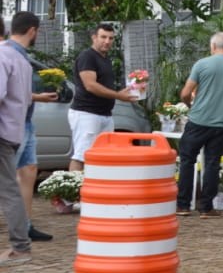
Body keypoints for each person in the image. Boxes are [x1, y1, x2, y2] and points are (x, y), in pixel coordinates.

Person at [176, 31, 223, 218]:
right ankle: (206, 208)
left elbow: (185, 92)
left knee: (187, 160)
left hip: (198, 120)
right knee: (212, 163)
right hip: (222, 122)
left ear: (213, 46)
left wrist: (191, 105)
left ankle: (183, 205)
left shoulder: (202, 64)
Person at [6, 12, 58, 242]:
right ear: (32, 31)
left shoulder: (20, 55)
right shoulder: (6, 54)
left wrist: (38, 97)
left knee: (28, 171)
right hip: (12, 127)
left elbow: (16, 92)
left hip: (26, 122)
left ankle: (25, 225)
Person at [68, 23, 137, 172]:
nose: (107, 41)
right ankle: (73, 194)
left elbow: (105, 86)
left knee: (102, 156)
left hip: (105, 114)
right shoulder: (87, 56)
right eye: (103, 37)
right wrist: (119, 95)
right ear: (94, 37)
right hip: (86, 113)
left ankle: (96, 193)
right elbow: (90, 85)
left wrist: (126, 91)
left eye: (111, 38)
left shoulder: (105, 59)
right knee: (81, 155)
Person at [0, 15, 34, 265]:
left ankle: (20, 247)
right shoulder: (21, 60)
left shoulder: (2, 56)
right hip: (12, 130)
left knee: (9, 189)